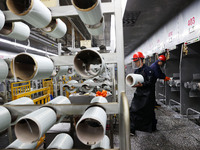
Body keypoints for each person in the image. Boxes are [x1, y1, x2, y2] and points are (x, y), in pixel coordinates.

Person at [130, 52, 157, 135]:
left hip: (147, 95)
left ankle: (152, 127)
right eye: (134, 61)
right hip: (139, 94)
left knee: (149, 111)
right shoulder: (137, 71)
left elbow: (151, 82)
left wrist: (142, 84)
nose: (135, 63)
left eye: (136, 61)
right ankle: (132, 129)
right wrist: (134, 84)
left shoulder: (149, 70)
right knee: (133, 110)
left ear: (141, 60)